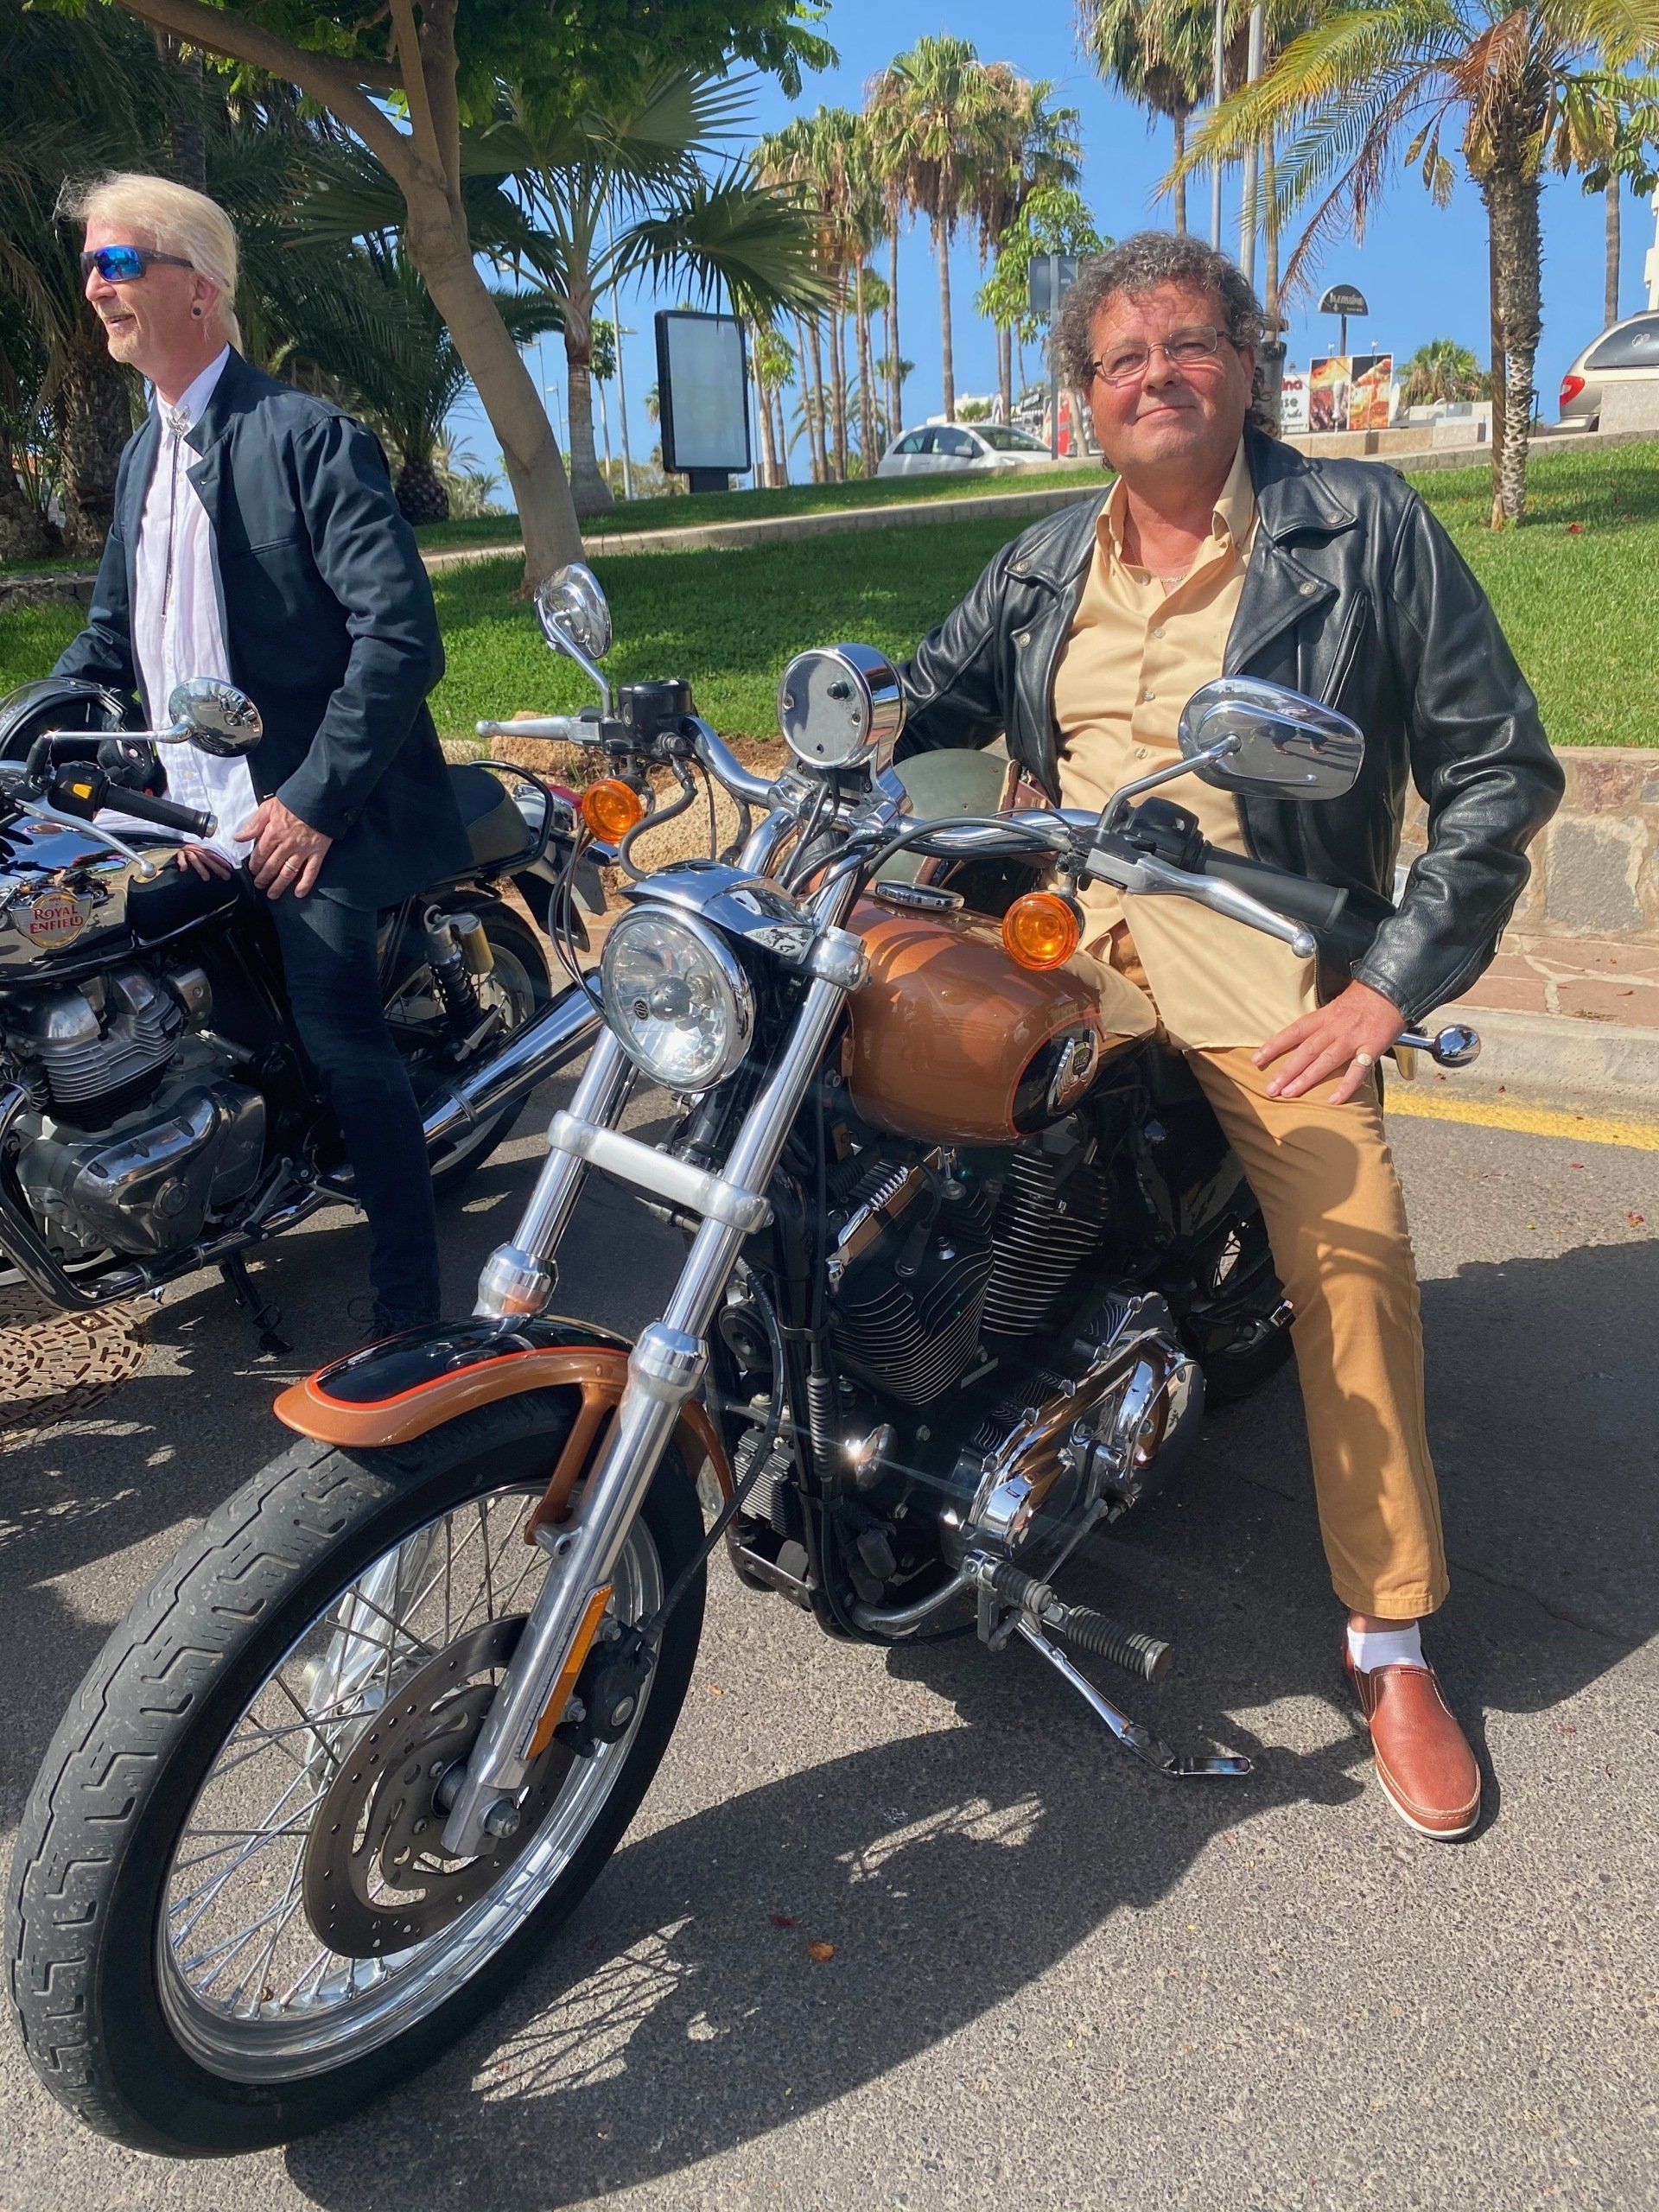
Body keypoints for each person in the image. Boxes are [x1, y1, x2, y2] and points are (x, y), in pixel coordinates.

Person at [896, 232, 1563, 1840]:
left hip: (1258, 934)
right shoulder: (1048, 559)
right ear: (1086, 399)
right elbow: (925, 705)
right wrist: (876, 762)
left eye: (1187, 346)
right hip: (1055, 910)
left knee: (1348, 1242)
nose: (1156, 378)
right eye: (1122, 362)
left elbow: (1499, 774)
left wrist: (1384, 986)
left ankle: (1391, 1635)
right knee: (846, 1094)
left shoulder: (1365, 528)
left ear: (1249, 363)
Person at [53, 172, 470, 1339]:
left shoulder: (306, 439)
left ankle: (411, 1325)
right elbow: (102, 645)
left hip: (308, 811)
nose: (96, 285)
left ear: (201, 284)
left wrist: (309, 805)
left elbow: (400, 639)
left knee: (342, 1037)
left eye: (119, 262)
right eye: (90, 265)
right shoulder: (144, 462)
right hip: (182, 815)